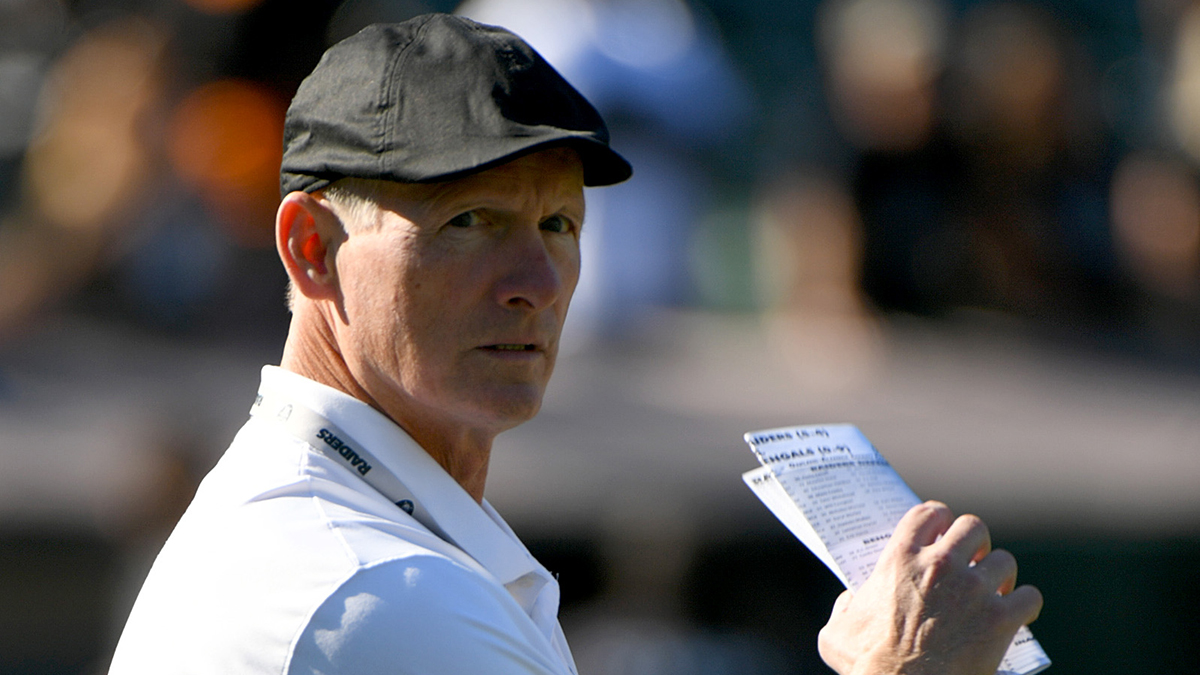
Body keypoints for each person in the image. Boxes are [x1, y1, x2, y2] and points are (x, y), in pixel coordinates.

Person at [108, 13, 1042, 675]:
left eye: (558, 224)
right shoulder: (381, 590)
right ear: (313, 248)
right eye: (469, 220)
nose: (539, 281)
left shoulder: (346, 535)